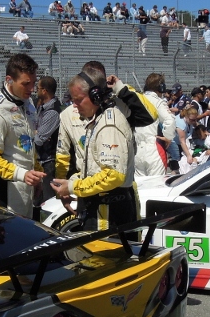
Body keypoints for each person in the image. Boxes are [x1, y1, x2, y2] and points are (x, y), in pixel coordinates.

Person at [50, 67, 137, 233]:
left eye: (78, 100)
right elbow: (95, 167)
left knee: (103, 258)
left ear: (95, 97)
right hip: (103, 207)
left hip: (108, 211)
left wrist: (72, 187)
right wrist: (73, 180)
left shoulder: (108, 124)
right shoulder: (100, 119)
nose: (74, 106)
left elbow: (113, 175)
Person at [0, 54, 46, 218]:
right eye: (25, 84)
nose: (31, 89)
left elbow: (28, 144)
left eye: (33, 83)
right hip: (6, 195)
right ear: (9, 80)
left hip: (27, 188)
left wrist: (36, 173)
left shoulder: (27, 103)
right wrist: (23, 174)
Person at [134, 73, 176, 176]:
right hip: (153, 149)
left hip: (137, 150)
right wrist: (168, 137)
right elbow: (170, 121)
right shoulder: (158, 102)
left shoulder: (135, 100)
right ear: (162, 87)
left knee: (140, 188)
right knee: (157, 187)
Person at [34, 76, 61, 207]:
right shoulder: (42, 107)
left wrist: (35, 133)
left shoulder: (52, 112)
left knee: (47, 202)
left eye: (37, 88)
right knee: (38, 200)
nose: (35, 91)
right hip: (40, 161)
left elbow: (38, 140)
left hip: (48, 162)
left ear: (44, 90)